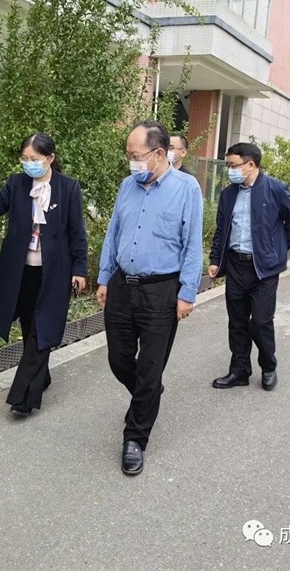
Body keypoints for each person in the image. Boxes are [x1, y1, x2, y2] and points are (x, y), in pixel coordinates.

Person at [0, 133, 87, 417]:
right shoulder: (17, 184)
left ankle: (23, 397)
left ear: (50, 158)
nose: (29, 163)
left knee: (43, 328)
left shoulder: (68, 188)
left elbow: (76, 231)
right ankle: (41, 376)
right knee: (29, 325)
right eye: (25, 158)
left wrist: (80, 269)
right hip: (22, 270)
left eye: (35, 159)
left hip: (54, 272)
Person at [97, 120, 203, 476]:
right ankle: (149, 393)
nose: (132, 161)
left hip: (161, 291)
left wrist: (187, 292)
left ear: (159, 154)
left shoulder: (186, 188)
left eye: (136, 155)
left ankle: (135, 438)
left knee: (151, 366)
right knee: (119, 359)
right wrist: (104, 277)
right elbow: (113, 232)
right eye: (129, 155)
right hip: (122, 287)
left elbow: (192, 244)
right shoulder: (126, 186)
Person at [208, 143, 290, 392]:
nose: (230, 170)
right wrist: (216, 259)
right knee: (237, 322)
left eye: (233, 165)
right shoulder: (229, 194)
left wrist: (276, 250)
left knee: (261, 321)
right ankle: (239, 371)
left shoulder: (275, 189)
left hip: (264, 269)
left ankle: (268, 366)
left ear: (250, 164)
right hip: (235, 265)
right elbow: (221, 230)